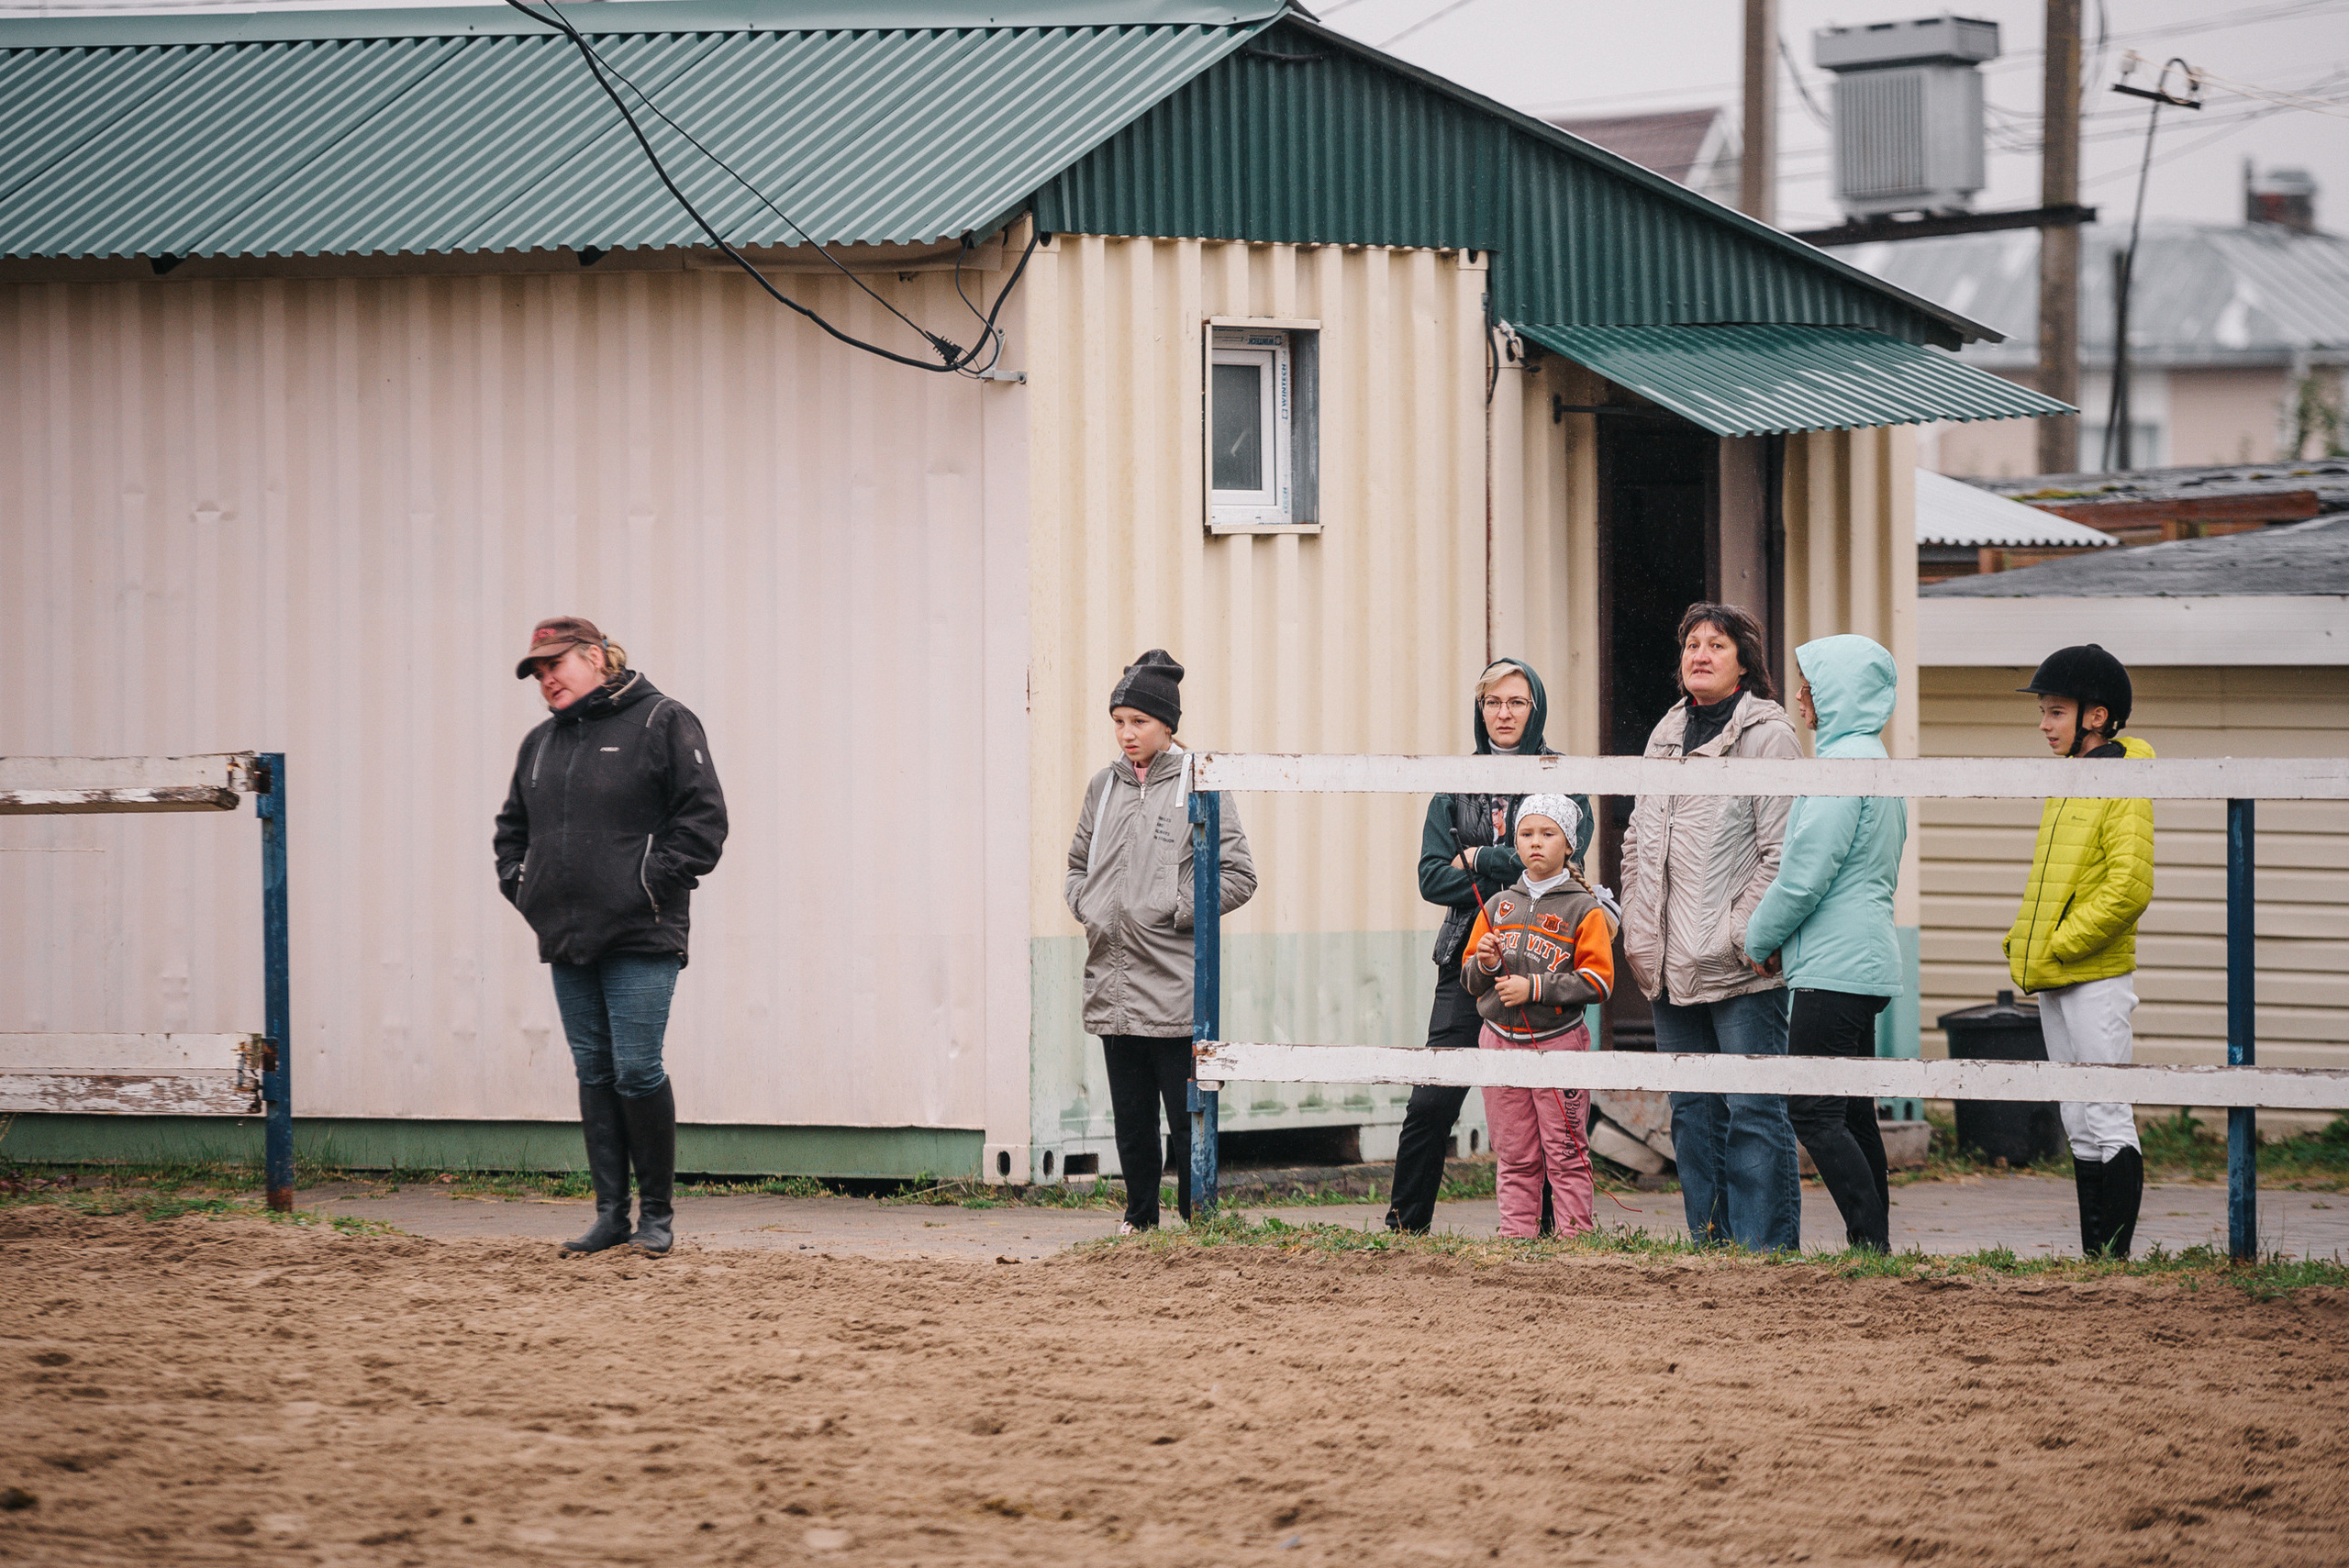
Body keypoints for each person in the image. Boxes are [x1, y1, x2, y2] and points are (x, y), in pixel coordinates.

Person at [494, 617, 727, 1258]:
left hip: (641, 931)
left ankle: (656, 1215)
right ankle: (609, 1215)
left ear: (595, 657)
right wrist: (528, 889)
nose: (546, 680)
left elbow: (704, 820)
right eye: (537, 672)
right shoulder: (540, 744)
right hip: (568, 935)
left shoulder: (662, 722)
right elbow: (511, 832)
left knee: (636, 1068)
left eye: (556, 665)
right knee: (594, 1069)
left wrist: (650, 881)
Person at [1385, 658, 1592, 1235]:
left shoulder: (1562, 776)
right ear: (1480, 710)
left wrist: (1477, 859)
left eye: (1517, 702)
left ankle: (1550, 1232)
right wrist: (1514, 863)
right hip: (1467, 960)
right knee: (1434, 1096)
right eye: (1493, 703)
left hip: (1547, 961)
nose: (1504, 714)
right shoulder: (1456, 780)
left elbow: (1564, 863)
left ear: (1537, 708)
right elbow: (1431, 878)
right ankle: (1406, 1224)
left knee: (1547, 1104)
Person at [1620, 602, 1802, 1251]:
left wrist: (1744, 932)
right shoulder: (1667, 731)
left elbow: (1783, 852)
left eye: (1716, 644)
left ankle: (1767, 1250)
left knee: (1752, 1108)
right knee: (1694, 1113)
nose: (1700, 653)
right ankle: (1711, 1245)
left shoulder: (1769, 735)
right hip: (1667, 962)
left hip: (1737, 963)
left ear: (1744, 662)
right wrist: (1639, 927)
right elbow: (1638, 835)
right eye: (1691, 642)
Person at [1064, 651, 1255, 1234]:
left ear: (1167, 725)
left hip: (1174, 989)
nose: (1127, 733)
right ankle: (1138, 1218)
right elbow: (1077, 865)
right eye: (1119, 720)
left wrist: (1176, 907)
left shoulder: (1202, 783)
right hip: (1113, 984)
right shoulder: (1103, 787)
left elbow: (1239, 875)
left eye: (1139, 721)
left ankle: (1197, 1222)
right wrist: (1088, 907)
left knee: (1186, 1115)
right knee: (1130, 1116)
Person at [1742, 636, 1907, 1253]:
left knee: (1812, 1108)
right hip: (1864, 959)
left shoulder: (1840, 769)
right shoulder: (1874, 759)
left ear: (1834, 695)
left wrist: (1759, 936)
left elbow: (1805, 872)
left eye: (1810, 685)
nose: (1801, 696)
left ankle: (1870, 1240)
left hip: (1835, 968)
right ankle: (1874, 1247)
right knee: (1852, 1111)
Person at [2008, 644, 2154, 1259]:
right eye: (2043, 710)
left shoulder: (2123, 778)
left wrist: (2059, 945)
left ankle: (2114, 1257)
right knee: (2078, 1116)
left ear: (2096, 716)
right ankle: (2096, 1257)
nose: (2044, 723)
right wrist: (2029, 944)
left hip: (2092, 975)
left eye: (2056, 711)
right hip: (2057, 973)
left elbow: (2129, 885)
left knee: (2108, 1112)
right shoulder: (2069, 778)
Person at [1460, 795, 1617, 1239]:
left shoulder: (1584, 909)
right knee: (1514, 1154)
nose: (1535, 844)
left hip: (1559, 1043)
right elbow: (1471, 980)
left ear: (1569, 844)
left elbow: (1600, 982)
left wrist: (1536, 988)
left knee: (1566, 1151)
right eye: (1526, 834)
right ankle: (1516, 1239)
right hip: (1499, 1042)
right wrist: (1488, 962)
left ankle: (1575, 1240)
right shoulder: (1497, 905)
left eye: (1548, 834)